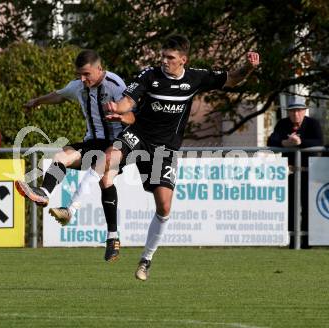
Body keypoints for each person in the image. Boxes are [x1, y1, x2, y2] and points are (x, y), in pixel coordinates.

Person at [100, 34, 260, 280]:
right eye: (163, 56)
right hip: (139, 135)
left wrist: (248, 67)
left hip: (165, 149)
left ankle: (146, 259)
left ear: (183, 60)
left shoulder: (196, 77)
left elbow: (233, 79)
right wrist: (116, 108)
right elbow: (127, 101)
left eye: (170, 58)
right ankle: (112, 234)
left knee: (164, 207)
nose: (164, 61)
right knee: (109, 161)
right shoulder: (149, 75)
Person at [15, 49, 135, 261]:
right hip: (93, 142)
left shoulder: (116, 86)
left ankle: (112, 237)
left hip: (119, 144)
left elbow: (134, 113)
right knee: (60, 157)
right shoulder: (78, 86)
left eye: (86, 74)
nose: (82, 78)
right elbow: (59, 95)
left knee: (106, 180)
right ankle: (44, 193)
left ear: (99, 69)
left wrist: (122, 116)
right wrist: (38, 101)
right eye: (79, 74)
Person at [267, 102, 323, 248]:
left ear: (304, 111)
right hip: (290, 172)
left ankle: (306, 242)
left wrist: (300, 141)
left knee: (307, 207)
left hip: (308, 172)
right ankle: (292, 242)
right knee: (291, 208)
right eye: (292, 111)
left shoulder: (312, 123)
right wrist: (284, 143)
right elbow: (271, 140)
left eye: (298, 111)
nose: (295, 114)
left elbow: (319, 141)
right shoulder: (282, 124)